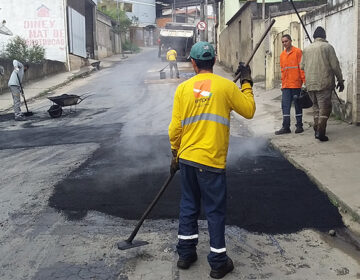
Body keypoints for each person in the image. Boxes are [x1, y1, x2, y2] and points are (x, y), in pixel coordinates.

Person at [168, 41, 256, 279]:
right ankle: (218, 262)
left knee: (188, 206)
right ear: (214, 61)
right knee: (214, 212)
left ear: (193, 63)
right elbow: (249, 110)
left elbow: (174, 129)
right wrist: (246, 83)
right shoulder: (226, 87)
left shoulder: (183, 89)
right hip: (211, 162)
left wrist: (175, 154)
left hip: (186, 158)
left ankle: (185, 254)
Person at [300, 26, 344, 142]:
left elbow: (302, 66)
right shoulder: (327, 47)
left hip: (310, 84)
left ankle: (316, 128)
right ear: (324, 36)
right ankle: (320, 131)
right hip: (324, 83)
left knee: (316, 107)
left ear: (314, 37)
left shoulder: (307, 49)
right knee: (325, 108)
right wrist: (340, 80)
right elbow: (335, 66)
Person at [275, 34, 305, 135]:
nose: (284, 43)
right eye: (283, 42)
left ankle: (299, 125)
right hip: (286, 86)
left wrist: (304, 82)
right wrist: (282, 84)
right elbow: (283, 71)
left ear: (291, 41)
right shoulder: (282, 55)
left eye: (286, 41)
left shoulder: (297, 52)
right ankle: (286, 127)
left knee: (298, 105)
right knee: (285, 106)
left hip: (296, 84)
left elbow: (301, 69)